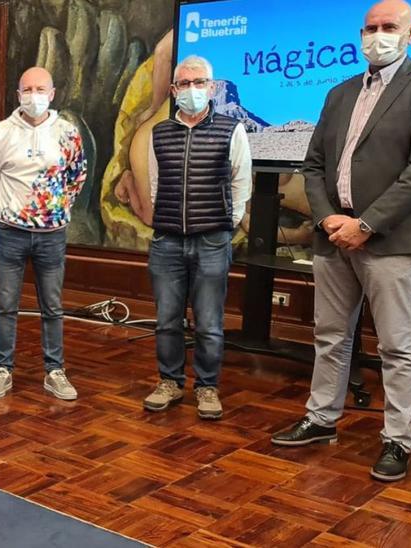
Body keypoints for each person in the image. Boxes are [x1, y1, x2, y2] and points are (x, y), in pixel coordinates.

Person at [271, 0, 411, 482]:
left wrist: (367, 224)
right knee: (330, 336)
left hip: (391, 240)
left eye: (388, 27)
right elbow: (313, 165)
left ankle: (397, 439)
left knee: (398, 346)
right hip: (334, 236)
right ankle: (320, 420)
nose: (379, 35)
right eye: (371, 27)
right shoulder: (338, 92)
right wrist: (330, 217)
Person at [140, 55, 252, 420]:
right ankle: (169, 382)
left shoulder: (232, 130)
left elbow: (241, 183)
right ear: (173, 91)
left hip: (212, 241)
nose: (192, 90)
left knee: (209, 322)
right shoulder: (160, 133)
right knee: (167, 319)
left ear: (212, 87)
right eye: (185, 84)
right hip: (167, 240)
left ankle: (207, 387)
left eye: (199, 82)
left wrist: (226, 223)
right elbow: (156, 186)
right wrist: (168, 217)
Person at [0, 67, 87, 401]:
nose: (34, 95)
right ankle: (3, 369)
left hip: (52, 234)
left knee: (53, 306)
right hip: (10, 233)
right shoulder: (1, 132)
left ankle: (54, 371)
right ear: (18, 95)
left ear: (52, 94)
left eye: (40, 89)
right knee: (6, 304)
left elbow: (77, 176)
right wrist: (14, 210)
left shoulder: (68, 133)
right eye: (27, 89)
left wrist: (54, 208)